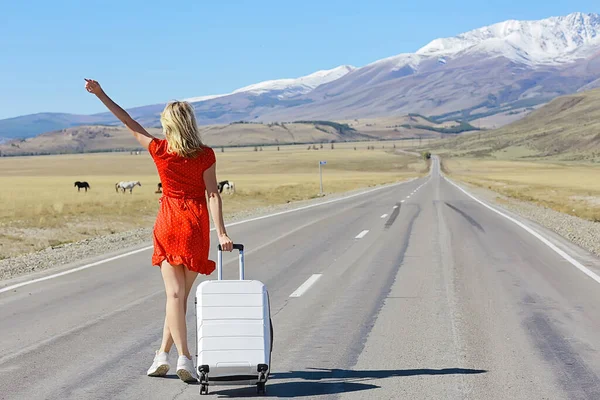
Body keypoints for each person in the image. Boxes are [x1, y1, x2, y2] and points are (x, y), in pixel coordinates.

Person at [84, 79, 234, 383]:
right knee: (179, 296)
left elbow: (127, 120)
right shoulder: (205, 155)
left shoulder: (159, 150)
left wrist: (101, 94)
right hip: (195, 224)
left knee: (174, 296)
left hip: (168, 222)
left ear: (168, 125)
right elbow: (213, 194)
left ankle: (172, 356)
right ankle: (177, 357)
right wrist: (221, 233)